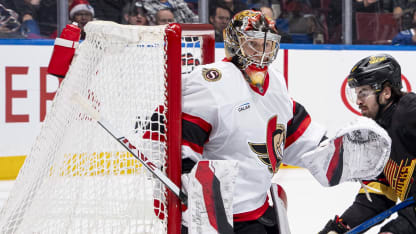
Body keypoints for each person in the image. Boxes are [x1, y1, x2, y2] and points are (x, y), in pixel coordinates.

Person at [180, 9, 329, 233]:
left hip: (259, 213)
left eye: (267, 46)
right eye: (254, 45)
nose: (262, 54)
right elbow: (182, 152)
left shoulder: (276, 81)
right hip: (218, 220)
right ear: (233, 43)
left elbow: (291, 132)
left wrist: (331, 152)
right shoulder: (209, 82)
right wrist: (192, 195)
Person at [319, 54, 416, 233]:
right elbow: (379, 193)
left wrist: (407, 224)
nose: (358, 101)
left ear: (386, 92)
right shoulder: (378, 133)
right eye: (356, 94)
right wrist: (342, 227)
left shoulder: (409, 111)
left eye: (363, 93)